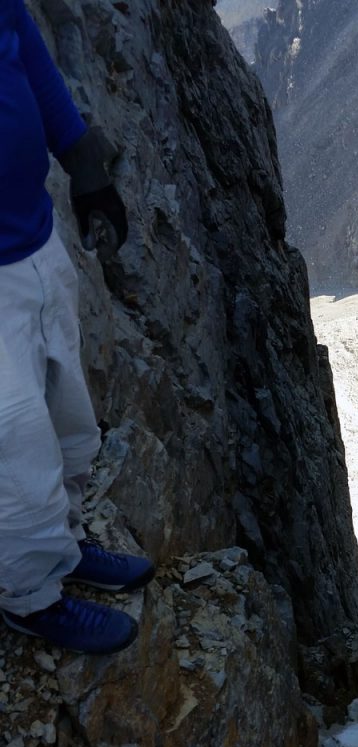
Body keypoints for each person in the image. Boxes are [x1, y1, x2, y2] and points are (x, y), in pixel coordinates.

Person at [0, 0, 154, 654]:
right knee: (16, 444)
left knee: (68, 421)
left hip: (35, 242)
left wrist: (80, 157)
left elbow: (25, 48)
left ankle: (62, 540)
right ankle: (31, 597)